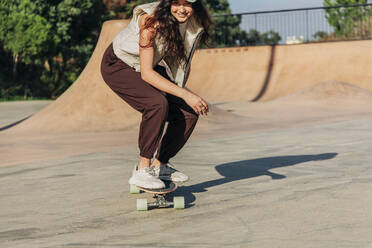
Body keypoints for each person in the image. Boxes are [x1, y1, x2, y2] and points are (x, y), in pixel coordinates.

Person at [101, 0, 212, 189]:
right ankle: (142, 170)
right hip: (119, 65)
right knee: (157, 104)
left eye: (188, 5)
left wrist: (183, 95)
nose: (182, 9)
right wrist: (186, 94)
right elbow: (146, 73)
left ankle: (160, 165)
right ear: (168, 3)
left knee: (188, 113)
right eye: (177, 3)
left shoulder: (192, 24)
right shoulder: (150, 22)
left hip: (148, 65)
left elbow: (181, 61)